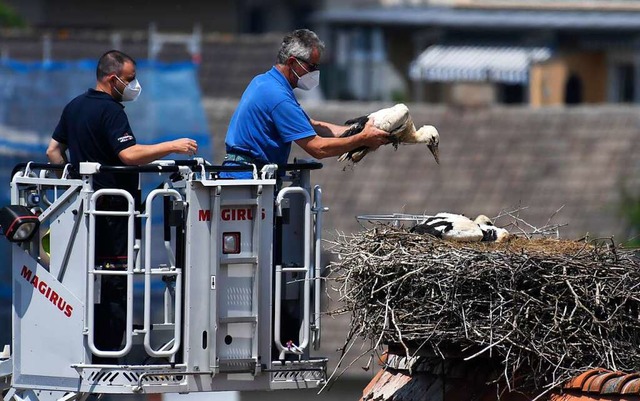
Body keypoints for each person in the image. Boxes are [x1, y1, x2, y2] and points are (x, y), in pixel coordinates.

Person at [46, 50, 198, 363]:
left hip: (82, 209)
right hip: (114, 211)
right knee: (115, 278)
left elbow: (52, 151)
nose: (133, 86)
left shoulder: (74, 105)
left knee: (83, 276)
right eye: (129, 80)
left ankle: (84, 342)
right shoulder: (111, 111)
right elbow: (128, 155)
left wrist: (69, 184)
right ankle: (110, 349)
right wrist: (172, 146)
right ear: (112, 79)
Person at [221, 29, 390, 178]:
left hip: (245, 173)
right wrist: (362, 139)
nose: (315, 72)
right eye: (311, 67)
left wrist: (360, 129)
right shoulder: (278, 96)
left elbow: (313, 126)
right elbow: (318, 148)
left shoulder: (266, 82)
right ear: (293, 62)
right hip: (246, 179)